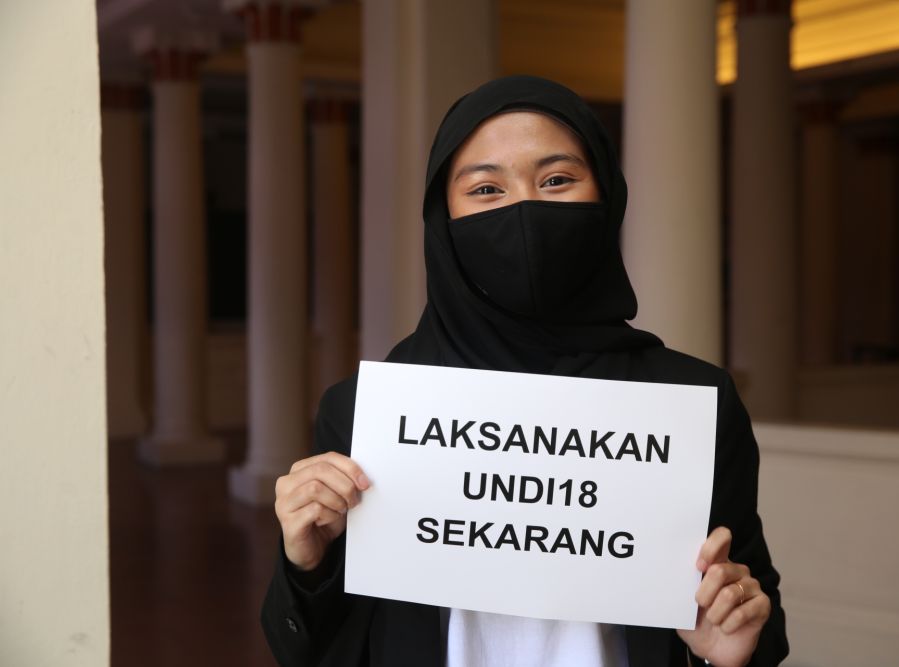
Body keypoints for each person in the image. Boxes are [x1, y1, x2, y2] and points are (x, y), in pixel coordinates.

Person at [261, 75, 788, 667]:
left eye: (557, 180)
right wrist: (305, 564)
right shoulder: (366, 413)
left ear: (606, 196)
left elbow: (756, 618)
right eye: (486, 189)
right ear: (444, 218)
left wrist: (729, 653)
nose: (523, 209)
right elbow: (309, 647)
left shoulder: (693, 404)